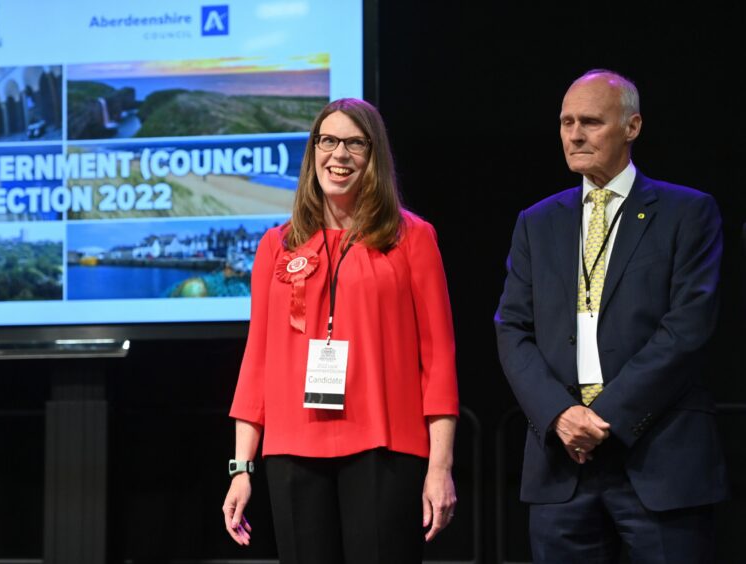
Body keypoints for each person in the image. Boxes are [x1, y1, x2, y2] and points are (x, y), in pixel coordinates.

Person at [494, 69, 728, 563]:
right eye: (566, 122)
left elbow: (687, 328)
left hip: (657, 455)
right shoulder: (537, 222)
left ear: (632, 127)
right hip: (562, 463)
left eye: (591, 122)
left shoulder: (687, 212)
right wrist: (560, 414)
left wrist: (603, 417)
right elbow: (512, 329)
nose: (575, 135)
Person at [222, 98, 459, 563]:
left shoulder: (412, 238)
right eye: (328, 141)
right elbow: (258, 359)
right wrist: (240, 467)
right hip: (292, 448)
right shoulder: (277, 245)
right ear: (313, 152)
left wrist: (441, 466)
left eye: (355, 143)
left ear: (375, 156)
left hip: (386, 447)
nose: (339, 155)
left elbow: (439, 359)